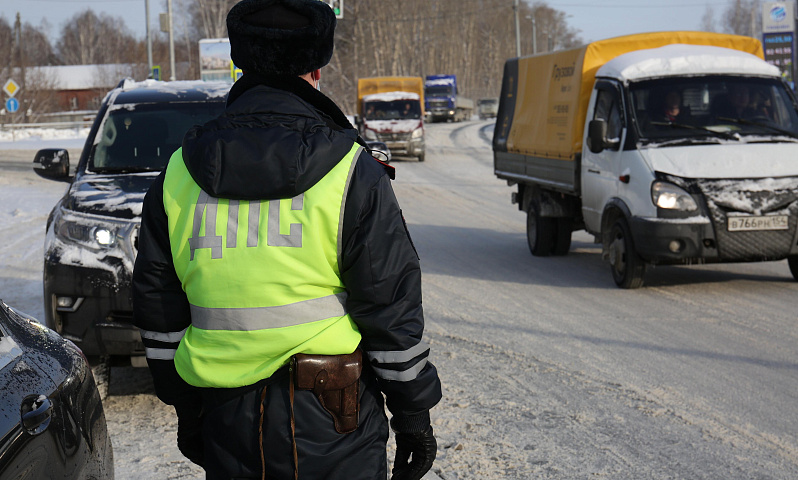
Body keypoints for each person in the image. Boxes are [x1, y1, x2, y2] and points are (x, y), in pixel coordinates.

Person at [132, 1, 442, 479]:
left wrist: (186, 408)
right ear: (315, 69)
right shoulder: (351, 171)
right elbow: (390, 303)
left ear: (241, 63)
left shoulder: (178, 172)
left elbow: (158, 306)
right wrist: (413, 416)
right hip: (336, 425)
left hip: (225, 423)